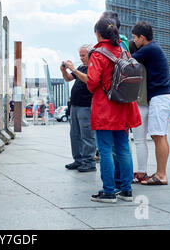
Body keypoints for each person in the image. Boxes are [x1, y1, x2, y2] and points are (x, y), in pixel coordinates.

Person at [87, 18, 141, 203]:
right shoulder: (123, 50)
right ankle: (126, 190)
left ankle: (109, 191)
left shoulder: (98, 53)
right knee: (124, 148)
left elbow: (92, 82)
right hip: (123, 106)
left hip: (105, 107)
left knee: (105, 150)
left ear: (98, 33)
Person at [131, 21, 170, 186]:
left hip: (160, 98)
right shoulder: (154, 48)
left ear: (142, 37)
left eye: (135, 37)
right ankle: (160, 172)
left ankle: (161, 175)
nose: (134, 41)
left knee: (158, 136)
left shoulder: (149, 49)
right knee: (161, 136)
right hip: (163, 98)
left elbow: (127, 61)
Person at [60, 45, 97, 173]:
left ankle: (89, 162)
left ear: (90, 55)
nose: (81, 58)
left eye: (83, 55)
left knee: (87, 135)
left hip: (86, 105)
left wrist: (73, 69)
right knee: (75, 134)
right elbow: (68, 78)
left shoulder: (93, 67)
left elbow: (88, 80)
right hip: (75, 105)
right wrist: (64, 71)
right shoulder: (81, 68)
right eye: (80, 55)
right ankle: (78, 160)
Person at [129, 40, 150, 183]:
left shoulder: (134, 64)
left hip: (139, 104)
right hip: (150, 102)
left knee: (139, 141)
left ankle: (141, 172)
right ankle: (142, 171)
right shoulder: (149, 61)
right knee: (144, 140)